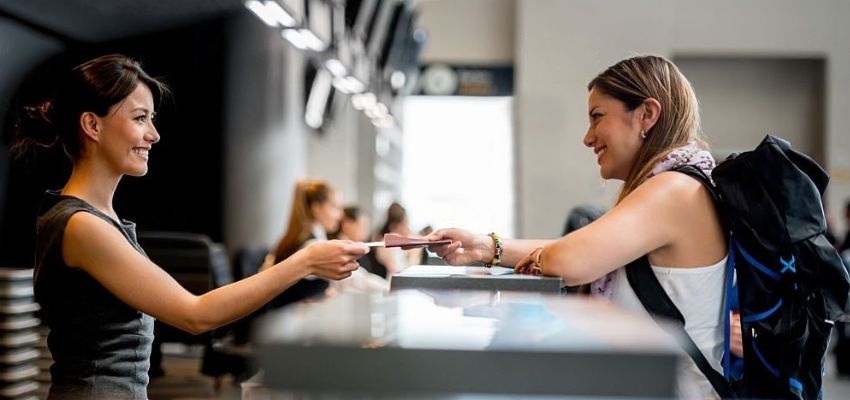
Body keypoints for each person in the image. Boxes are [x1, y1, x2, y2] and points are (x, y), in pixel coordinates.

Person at [10, 54, 368, 399]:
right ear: (92, 125)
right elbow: (196, 315)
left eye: (152, 119)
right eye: (139, 118)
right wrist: (304, 262)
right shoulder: (83, 226)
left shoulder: (99, 220)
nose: (154, 135)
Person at [428, 55, 730, 399]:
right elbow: (584, 250)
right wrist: (484, 246)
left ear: (647, 114)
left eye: (597, 117)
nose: (588, 138)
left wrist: (541, 258)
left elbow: (572, 259)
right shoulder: (678, 185)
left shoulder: (675, 190)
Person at [266, 184, 388, 302]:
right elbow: (355, 280)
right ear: (316, 209)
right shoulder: (311, 244)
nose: (341, 215)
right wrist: (390, 287)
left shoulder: (306, 236)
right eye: (334, 207)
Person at [371, 202, 423, 278]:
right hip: (395, 280)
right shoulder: (385, 243)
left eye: (405, 223)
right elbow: (394, 269)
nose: (404, 227)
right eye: (401, 224)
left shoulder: (415, 238)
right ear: (393, 225)